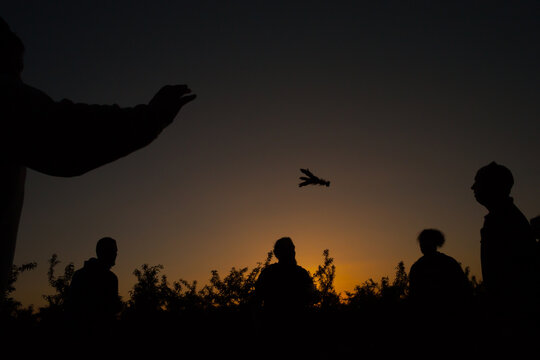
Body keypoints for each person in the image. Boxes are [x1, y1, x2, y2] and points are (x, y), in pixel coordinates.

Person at [0, 18, 196, 298]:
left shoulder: (94, 277)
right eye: (14, 69)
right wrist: (151, 117)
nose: (18, 82)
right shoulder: (6, 101)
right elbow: (65, 136)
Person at [471, 162, 539, 333]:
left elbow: (510, 279)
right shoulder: (502, 217)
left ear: (492, 185)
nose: (472, 187)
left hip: (512, 320)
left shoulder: (506, 221)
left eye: (477, 182)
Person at [252, 237, 316, 355]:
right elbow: (256, 301)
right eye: (289, 249)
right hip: (276, 332)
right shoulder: (271, 273)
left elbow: (312, 298)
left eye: (292, 249)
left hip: (294, 332)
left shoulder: (300, 273)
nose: (293, 252)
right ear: (278, 253)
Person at [408, 229, 472, 331]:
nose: (422, 245)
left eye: (425, 241)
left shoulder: (419, 266)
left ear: (434, 243)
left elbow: (463, 289)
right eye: (422, 242)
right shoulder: (418, 266)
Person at [66, 237, 121, 343]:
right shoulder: (110, 278)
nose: (115, 254)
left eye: (116, 251)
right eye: (113, 251)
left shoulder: (79, 274)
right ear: (102, 252)